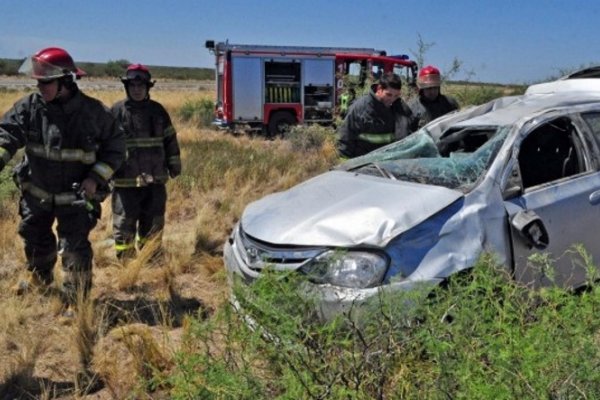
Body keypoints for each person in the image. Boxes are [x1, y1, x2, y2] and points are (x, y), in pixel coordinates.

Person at [0, 47, 125, 309]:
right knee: (35, 241)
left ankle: (75, 303)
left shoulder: (94, 113)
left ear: (66, 81)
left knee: (74, 250)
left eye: (46, 82)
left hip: (76, 199)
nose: (40, 87)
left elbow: (116, 148)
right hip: (37, 195)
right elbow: (6, 135)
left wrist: (95, 178)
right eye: (38, 81)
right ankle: (40, 281)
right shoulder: (30, 107)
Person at [110, 64, 181, 262]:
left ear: (148, 87)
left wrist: (174, 165)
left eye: (141, 86)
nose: (137, 89)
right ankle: (126, 263)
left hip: (155, 181)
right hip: (125, 183)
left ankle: (152, 260)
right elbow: (105, 146)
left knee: (153, 223)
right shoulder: (116, 112)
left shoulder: (158, 111)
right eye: (133, 85)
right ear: (127, 87)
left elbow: (170, 139)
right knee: (124, 224)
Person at [337, 73, 414, 159]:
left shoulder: (398, 108)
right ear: (379, 89)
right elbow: (345, 139)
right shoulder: (360, 108)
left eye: (396, 96)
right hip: (362, 165)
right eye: (388, 95)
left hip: (387, 165)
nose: (392, 100)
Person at [408, 65, 459, 130]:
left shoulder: (450, 104)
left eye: (435, 87)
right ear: (422, 89)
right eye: (429, 88)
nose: (432, 91)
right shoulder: (412, 107)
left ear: (439, 87)